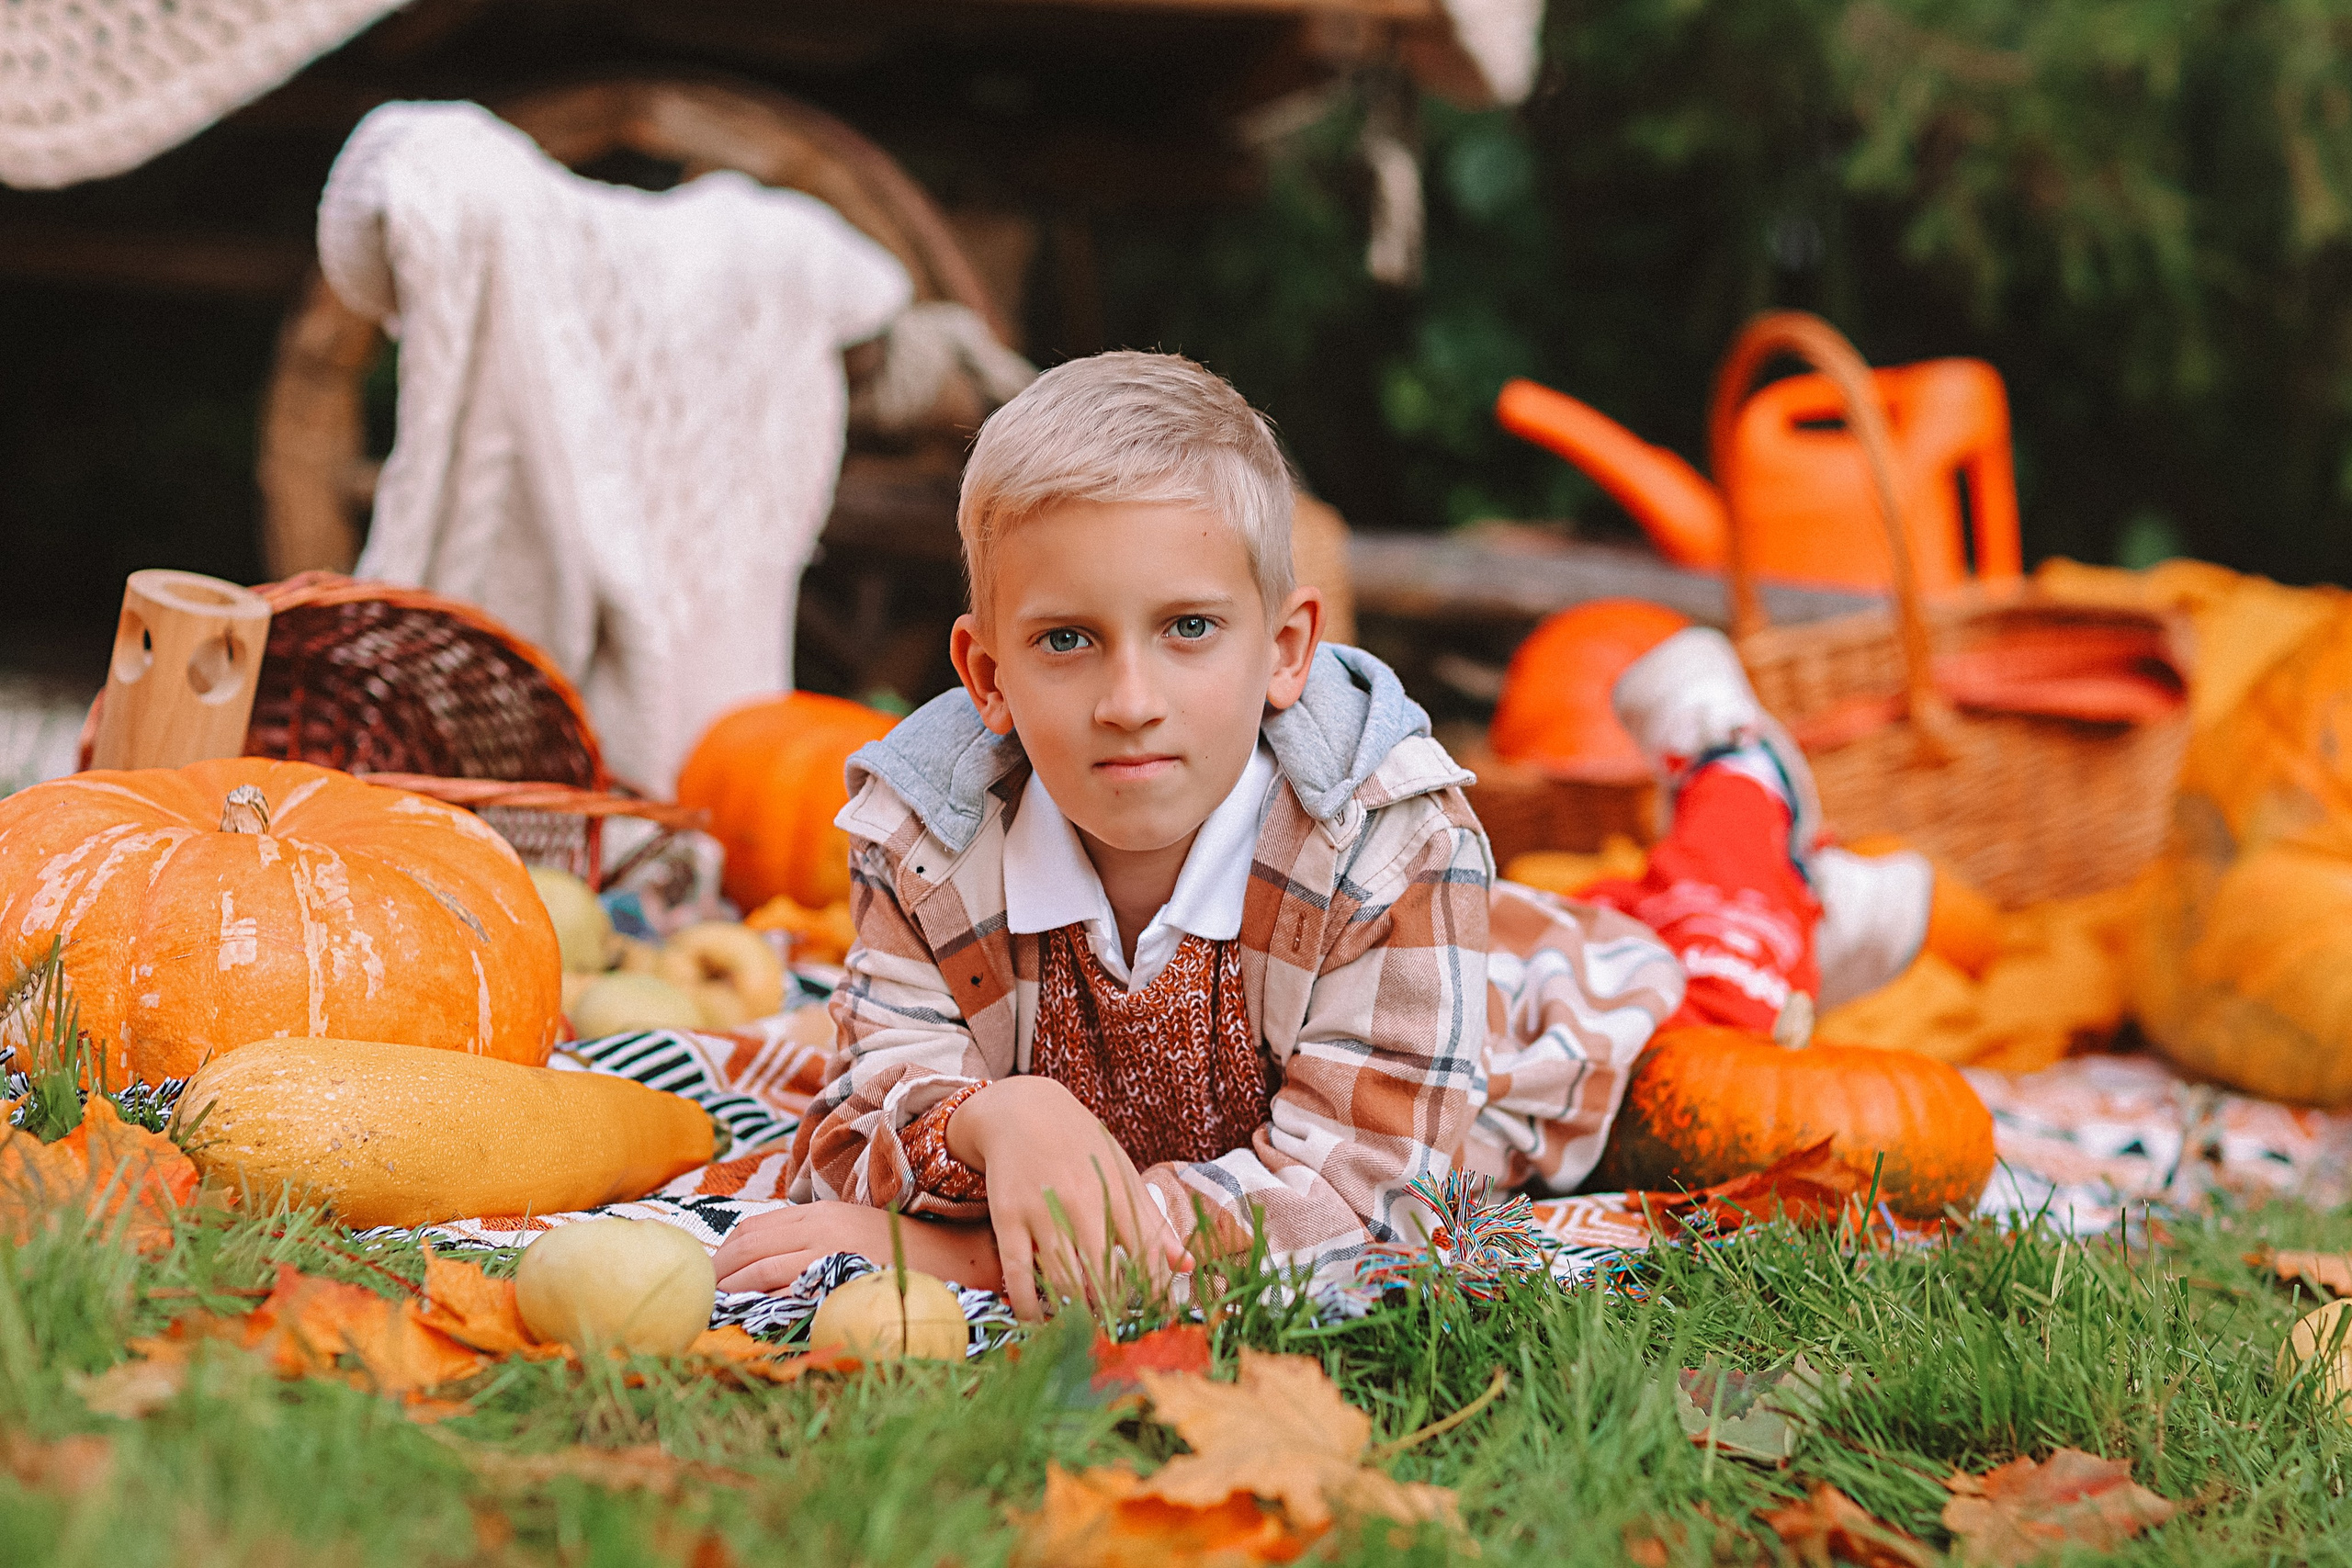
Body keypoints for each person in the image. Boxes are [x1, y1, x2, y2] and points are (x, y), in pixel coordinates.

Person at [709, 352, 1922, 1316]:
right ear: (985, 673)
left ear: (1285, 649)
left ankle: (1740, 776)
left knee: (1722, 977)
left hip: (1548, 1016)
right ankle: (1806, 899)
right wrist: (1001, 1118)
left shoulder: (1396, 852)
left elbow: (1364, 1207)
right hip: (1446, 967)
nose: (1130, 698)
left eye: (1188, 628)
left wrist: (963, 1262)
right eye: (1067, 640)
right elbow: (866, 1107)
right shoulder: (929, 843)